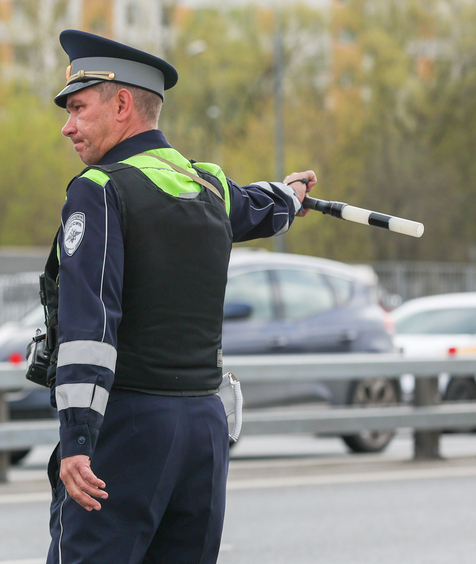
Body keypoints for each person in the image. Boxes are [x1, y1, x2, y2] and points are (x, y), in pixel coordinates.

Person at [44, 29, 316, 564]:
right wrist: (292, 195)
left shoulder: (99, 190)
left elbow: (90, 326)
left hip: (127, 429)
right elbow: (261, 206)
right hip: (203, 430)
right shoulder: (207, 185)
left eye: (78, 107)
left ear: (122, 104)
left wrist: (77, 440)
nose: (67, 126)